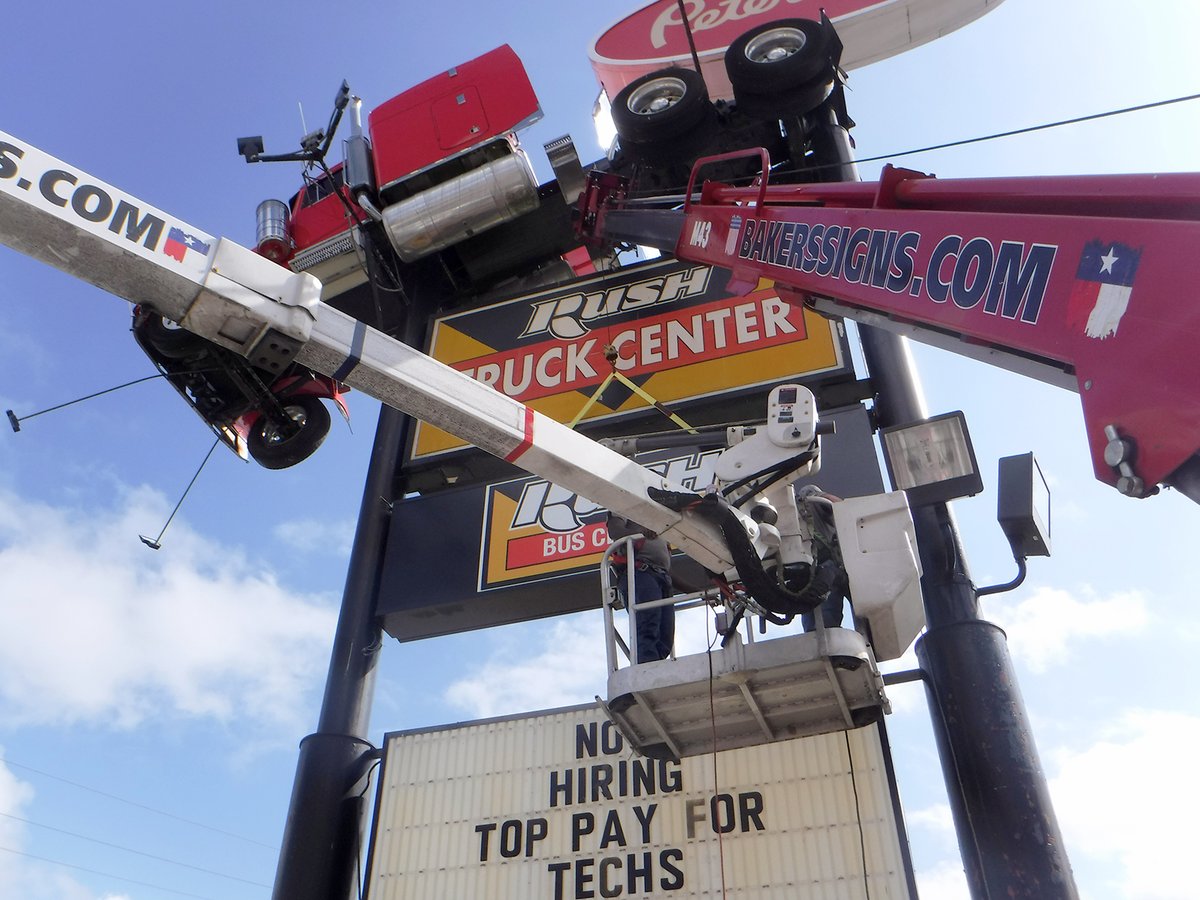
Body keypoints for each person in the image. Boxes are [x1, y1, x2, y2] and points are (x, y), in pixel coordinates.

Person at [606, 512, 675, 663]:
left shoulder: (659, 526)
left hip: (662, 578)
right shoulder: (624, 506)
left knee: (666, 636)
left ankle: (656, 667)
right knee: (648, 624)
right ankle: (646, 666)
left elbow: (668, 570)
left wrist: (701, 592)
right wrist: (641, 534)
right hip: (641, 574)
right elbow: (615, 531)